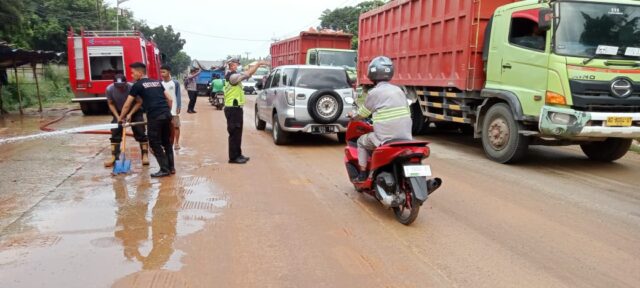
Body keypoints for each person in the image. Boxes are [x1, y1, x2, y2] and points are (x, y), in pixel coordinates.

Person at [347, 56, 412, 182]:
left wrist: (352, 116)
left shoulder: (374, 93)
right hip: (405, 137)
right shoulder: (399, 90)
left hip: (385, 138)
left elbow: (362, 114)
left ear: (372, 73)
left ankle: (362, 174)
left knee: (361, 141)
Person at [119, 62, 175, 177]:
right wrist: (166, 111)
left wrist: (120, 118)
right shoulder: (157, 82)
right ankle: (171, 167)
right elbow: (169, 99)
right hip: (166, 114)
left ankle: (164, 169)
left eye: (133, 73)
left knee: (155, 143)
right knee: (166, 142)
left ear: (140, 73)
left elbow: (126, 105)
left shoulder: (137, 85)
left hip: (155, 117)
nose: (131, 75)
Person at [223, 58, 269, 164]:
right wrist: (258, 64)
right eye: (237, 64)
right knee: (234, 133)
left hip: (236, 108)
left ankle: (238, 154)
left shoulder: (233, 76)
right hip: (233, 109)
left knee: (238, 133)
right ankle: (233, 157)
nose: (238, 66)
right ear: (232, 66)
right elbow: (247, 74)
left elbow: (247, 74)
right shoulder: (232, 77)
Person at [104, 74, 149, 167]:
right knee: (115, 130)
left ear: (126, 83)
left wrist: (130, 114)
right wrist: (118, 116)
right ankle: (114, 157)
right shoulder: (109, 89)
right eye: (118, 87)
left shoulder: (132, 87)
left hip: (134, 111)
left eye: (122, 86)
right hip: (119, 112)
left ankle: (144, 155)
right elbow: (111, 104)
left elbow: (139, 102)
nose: (120, 88)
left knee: (140, 130)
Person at [160, 65, 183, 150]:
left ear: (169, 72)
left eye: (164, 72)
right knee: (164, 127)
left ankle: (176, 143)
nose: (162, 74)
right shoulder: (160, 84)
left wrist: (179, 106)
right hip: (164, 109)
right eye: (161, 72)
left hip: (174, 108)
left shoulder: (175, 83)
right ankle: (165, 143)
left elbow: (178, 95)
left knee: (176, 126)